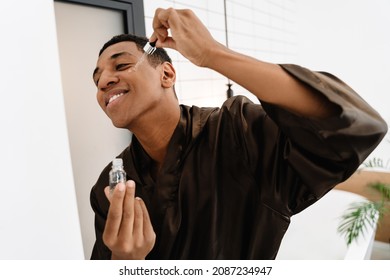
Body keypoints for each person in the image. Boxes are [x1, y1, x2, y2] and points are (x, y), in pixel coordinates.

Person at [90, 8, 387, 260]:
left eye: (122, 64)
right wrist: (125, 263)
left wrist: (212, 53)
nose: (104, 80)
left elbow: (351, 128)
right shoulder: (109, 185)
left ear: (166, 74)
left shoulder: (238, 132)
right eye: (97, 77)